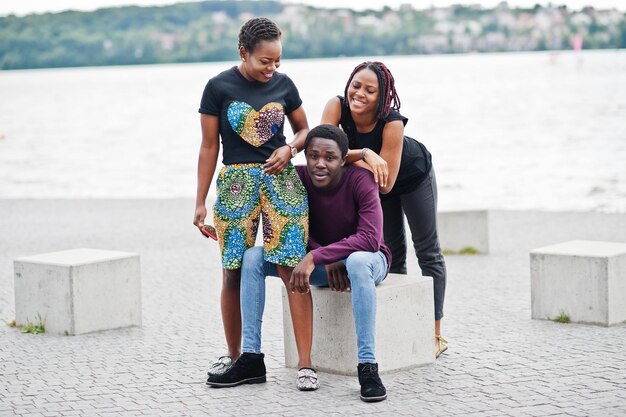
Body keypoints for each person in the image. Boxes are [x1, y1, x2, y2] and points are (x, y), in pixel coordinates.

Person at [207, 124, 391, 402]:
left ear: (343, 159)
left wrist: (319, 255)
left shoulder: (360, 180)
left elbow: (370, 239)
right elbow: (287, 228)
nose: (320, 163)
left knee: (356, 262)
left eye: (329, 158)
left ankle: (367, 367)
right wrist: (321, 257)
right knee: (253, 257)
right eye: (313, 156)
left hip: (366, 263)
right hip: (317, 266)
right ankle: (252, 358)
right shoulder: (297, 178)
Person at [194, 17, 314, 378]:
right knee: (232, 272)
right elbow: (207, 146)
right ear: (244, 53)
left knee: (292, 269)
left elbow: (305, 130)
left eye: (277, 61)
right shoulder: (217, 87)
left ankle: (305, 364)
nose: (272, 68)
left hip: (282, 183)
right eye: (265, 61)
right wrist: (200, 202)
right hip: (235, 186)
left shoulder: (284, 84)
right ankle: (238, 360)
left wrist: (290, 149)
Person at [321, 61, 448, 358]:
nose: (360, 93)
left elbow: (387, 181)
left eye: (370, 89)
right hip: (374, 182)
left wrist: (348, 158)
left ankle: (434, 332)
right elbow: (321, 153)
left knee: (427, 251)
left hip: (411, 177)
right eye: (356, 85)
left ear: (383, 97)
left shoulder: (392, 122)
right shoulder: (336, 108)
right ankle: (401, 326)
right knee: (391, 253)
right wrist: (365, 153)